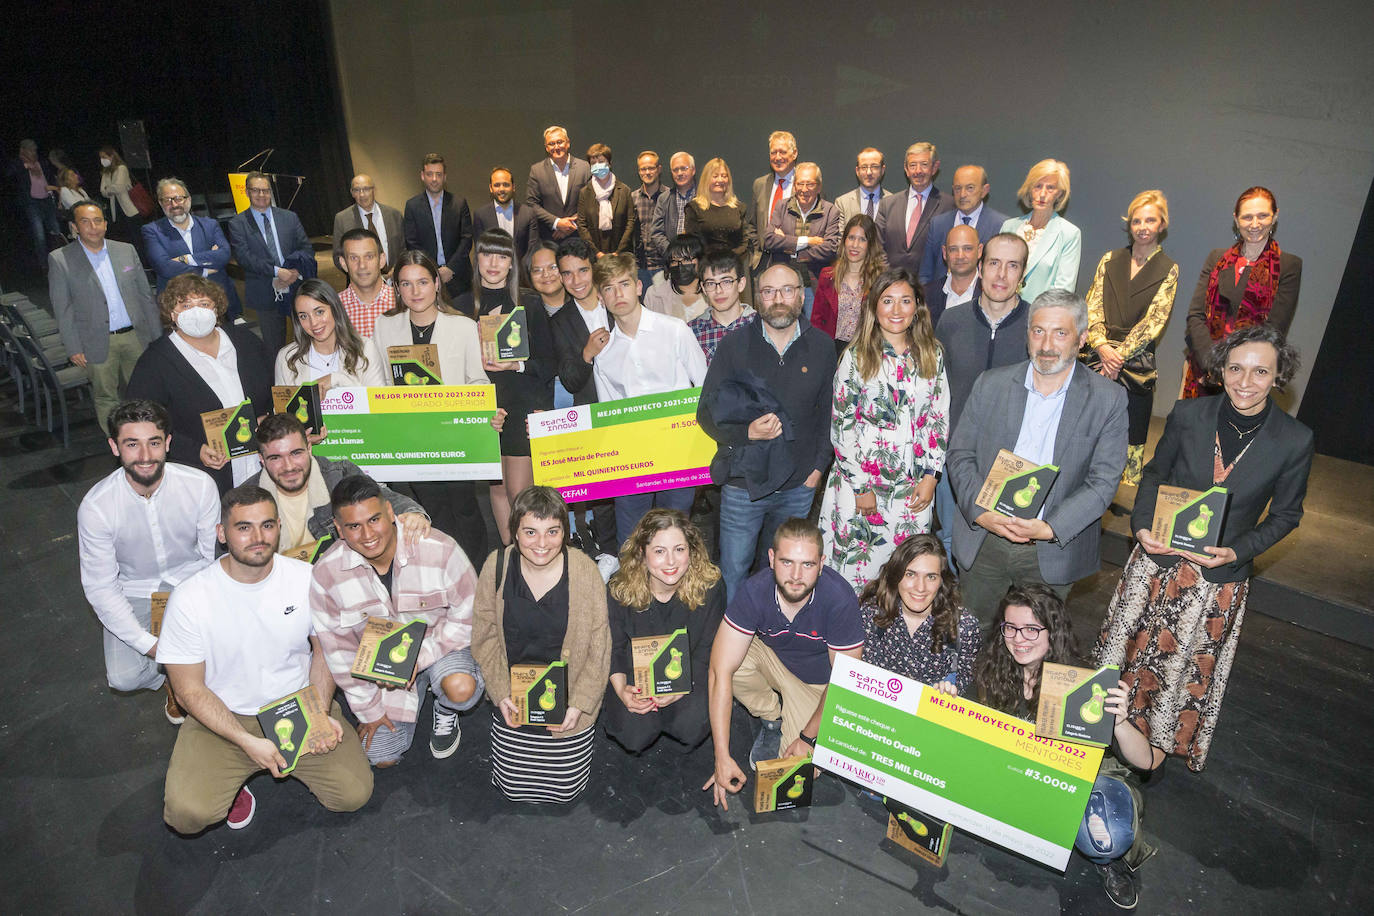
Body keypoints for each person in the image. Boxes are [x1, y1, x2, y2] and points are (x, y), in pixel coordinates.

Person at [1095, 325, 1314, 773]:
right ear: (1222, 370)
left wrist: (1237, 553)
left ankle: (1147, 756)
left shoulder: (1294, 440)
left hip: (1213, 584)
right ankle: (1096, 735)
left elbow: (1286, 516)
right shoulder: (1188, 414)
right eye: (1236, 368)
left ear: (1278, 377)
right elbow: (1154, 474)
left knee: (1174, 678)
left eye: (1259, 372)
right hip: (1154, 565)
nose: (1245, 381)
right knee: (1125, 655)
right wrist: (1140, 527)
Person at [160, 484, 373, 834]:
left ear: (278, 527)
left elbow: (323, 651)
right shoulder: (190, 598)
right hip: (225, 716)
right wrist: (247, 742)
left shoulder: (306, 578)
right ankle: (234, 776)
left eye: (267, 525)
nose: (258, 537)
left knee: (353, 795)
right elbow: (188, 692)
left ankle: (274, 752)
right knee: (187, 815)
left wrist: (318, 715)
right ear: (222, 534)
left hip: (299, 704)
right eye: (244, 527)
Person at [976, 584, 1164, 909]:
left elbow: (1145, 762)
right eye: (1011, 628)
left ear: (1053, 631)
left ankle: (1108, 863)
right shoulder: (992, 669)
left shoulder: (1084, 680)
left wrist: (1119, 723)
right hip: (1023, 772)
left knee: (1106, 836)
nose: (1019, 639)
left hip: (1081, 778)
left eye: (1032, 629)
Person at [945, 289, 1128, 622]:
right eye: (1038, 331)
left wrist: (1049, 528)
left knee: (1035, 647)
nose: (1047, 345)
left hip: (1049, 549)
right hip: (985, 539)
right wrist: (981, 512)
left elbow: (1103, 482)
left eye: (1061, 333)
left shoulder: (1108, 400)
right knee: (972, 638)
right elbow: (960, 454)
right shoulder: (990, 384)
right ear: (1027, 334)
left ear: (1082, 338)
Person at [311, 475, 485, 767]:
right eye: (354, 526)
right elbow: (338, 653)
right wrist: (368, 711)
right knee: (381, 758)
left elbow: (470, 618)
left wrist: (420, 657)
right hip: (383, 669)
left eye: (375, 519)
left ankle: (445, 707)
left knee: (460, 688)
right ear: (339, 530)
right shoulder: (326, 574)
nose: (368, 534)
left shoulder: (440, 549)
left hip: (441, 646)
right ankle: (411, 700)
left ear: (392, 513)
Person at [699, 262, 837, 600]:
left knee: (783, 573)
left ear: (801, 297)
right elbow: (706, 413)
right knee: (733, 570)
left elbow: (831, 417)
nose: (778, 299)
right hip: (743, 484)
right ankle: (736, 647)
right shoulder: (734, 346)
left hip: (798, 485)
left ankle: (774, 640)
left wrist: (818, 469)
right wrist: (747, 432)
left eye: (787, 290)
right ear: (757, 296)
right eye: (769, 291)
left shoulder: (822, 347)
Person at [703, 519, 863, 809]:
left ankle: (799, 727)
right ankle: (771, 718)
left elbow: (844, 683)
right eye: (787, 562)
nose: (797, 576)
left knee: (797, 774)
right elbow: (718, 671)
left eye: (808, 565)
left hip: (819, 686)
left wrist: (806, 738)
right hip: (775, 661)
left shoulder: (839, 598)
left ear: (822, 563)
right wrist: (721, 756)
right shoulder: (755, 590)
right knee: (731, 663)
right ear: (772, 558)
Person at [78, 399, 218, 721]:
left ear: (167, 442)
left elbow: (213, 559)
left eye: (154, 443)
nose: (144, 456)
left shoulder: (199, 486)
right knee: (123, 678)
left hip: (192, 581)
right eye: (132, 444)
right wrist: (156, 648)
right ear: (114, 447)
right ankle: (173, 675)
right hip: (135, 590)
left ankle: (185, 677)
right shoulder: (96, 507)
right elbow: (100, 587)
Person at [470, 487, 611, 801]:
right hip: (514, 702)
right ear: (515, 532)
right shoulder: (496, 566)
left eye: (553, 531)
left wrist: (580, 704)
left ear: (565, 532)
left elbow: (600, 647)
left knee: (564, 791)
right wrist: (501, 693)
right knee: (512, 788)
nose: (542, 543)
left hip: (568, 701)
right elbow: (484, 637)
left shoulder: (585, 571)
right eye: (530, 531)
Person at [821, 267, 949, 592]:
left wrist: (932, 476)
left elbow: (938, 418)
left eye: (905, 301)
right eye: (887, 300)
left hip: (913, 490)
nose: (896, 310)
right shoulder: (855, 356)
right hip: (860, 486)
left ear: (917, 306)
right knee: (853, 576)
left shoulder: (932, 354)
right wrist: (861, 487)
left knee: (905, 574)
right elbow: (841, 426)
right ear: (874, 306)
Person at [368, 250, 492, 568]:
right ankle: (440, 580)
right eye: (406, 284)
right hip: (411, 440)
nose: (415, 291)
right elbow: (379, 381)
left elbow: (477, 380)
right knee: (429, 515)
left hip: (455, 438)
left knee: (465, 512)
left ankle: (476, 580)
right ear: (397, 289)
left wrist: (476, 408)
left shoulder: (462, 326)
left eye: (422, 281)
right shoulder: (385, 326)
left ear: (436, 283)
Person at [592, 253, 708, 542]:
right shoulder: (603, 353)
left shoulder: (675, 331)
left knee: (675, 536)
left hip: (678, 453)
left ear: (639, 287)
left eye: (624, 284)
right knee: (630, 541)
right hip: (632, 456)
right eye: (609, 288)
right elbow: (609, 414)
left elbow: (705, 388)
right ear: (600, 297)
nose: (618, 293)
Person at [932, 233, 1032, 558]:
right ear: (980, 266)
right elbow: (935, 392)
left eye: (1012, 266)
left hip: (1013, 462)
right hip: (954, 457)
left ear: (1024, 274)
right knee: (951, 542)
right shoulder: (951, 321)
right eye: (994, 263)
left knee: (1000, 553)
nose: (1001, 275)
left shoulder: (1036, 328)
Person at [455, 229, 557, 543]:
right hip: (485, 409)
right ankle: (510, 554)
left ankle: (538, 555)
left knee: (521, 495)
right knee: (497, 491)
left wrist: (517, 364)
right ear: (476, 259)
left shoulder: (529, 303)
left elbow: (549, 363)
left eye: (502, 255)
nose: (494, 263)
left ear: (512, 263)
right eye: (487, 254)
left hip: (522, 403)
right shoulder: (460, 307)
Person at [127, 274, 274, 493]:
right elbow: (141, 423)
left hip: (260, 463)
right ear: (172, 314)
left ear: (216, 310)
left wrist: (268, 418)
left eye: (204, 304)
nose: (196, 312)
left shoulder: (246, 342)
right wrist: (195, 450)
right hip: (205, 475)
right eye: (186, 305)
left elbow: (273, 388)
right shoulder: (155, 361)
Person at [604, 509, 725, 753]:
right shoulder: (619, 589)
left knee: (691, 724)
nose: (671, 561)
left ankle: (676, 720)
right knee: (633, 732)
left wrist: (682, 687)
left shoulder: (710, 586)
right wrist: (622, 690)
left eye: (679, 549)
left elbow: (708, 649)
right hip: (636, 673)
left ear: (691, 550)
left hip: (689, 670)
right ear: (642, 552)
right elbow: (613, 647)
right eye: (659, 551)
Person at [1082, 191, 1180, 484]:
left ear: (1162, 224)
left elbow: (1155, 321)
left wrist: (1117, 356)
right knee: (1088, 424)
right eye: (1137, 220)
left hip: (1134, 364)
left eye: (1150, 220)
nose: (1143, 226)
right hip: (1096, 357)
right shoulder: (1110, 259)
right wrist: (1101, 346)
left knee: (1131, 427)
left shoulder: (1169, 269)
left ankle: (1122, 494)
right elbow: (1092, 305)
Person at [49, 200, 160, 434]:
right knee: (106, 397)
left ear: (106, 224)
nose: (93, 226)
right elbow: (63, 308)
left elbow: (145, 296)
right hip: (95, 341)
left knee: (143, 392)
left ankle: (147, 438)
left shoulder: (125, 250)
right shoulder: (60, 259)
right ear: (74, 226)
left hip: (135, 336)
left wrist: (156, 335)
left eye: (98, 220)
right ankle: (118, 443)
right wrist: (73, 347)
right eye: (85, 221)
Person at [1181, 186, 1302, 399]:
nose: (1255, 224)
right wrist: (1212, 364)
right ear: (1236, 219)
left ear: (1275, 217)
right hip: (1203, 370)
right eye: (1247, 217)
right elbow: (1196, 316)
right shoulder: (1216, 258)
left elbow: (1274, 330)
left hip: (1247, 380)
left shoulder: (1288, 265)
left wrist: (1232, 369)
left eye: (1262, 215)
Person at [248, 412, 427, 553]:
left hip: (338, 578)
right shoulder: (246, 499)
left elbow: (386, 499)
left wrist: (414, 515)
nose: (289, 467)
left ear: (309, 448)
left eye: (296, 453)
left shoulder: (339, 475)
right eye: (275, 458)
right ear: (261, 459)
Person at [547, 238, 620, 572]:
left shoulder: (618, 301)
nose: (576, 280)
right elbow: (571, 381)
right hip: (591, 413)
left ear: (594, 268)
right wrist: (587, 354)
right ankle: (609, 556)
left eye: (582, 270)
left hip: (630, 410)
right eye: (567, 274)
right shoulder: (559, 321)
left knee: (640, 488)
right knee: (603, 493)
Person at [858, 535, 979, 693]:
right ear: (896, 575)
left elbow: (968, 679)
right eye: (910, 574)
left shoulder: (964, 627)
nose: (920, 587)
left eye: (931, 577)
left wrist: (953, 691)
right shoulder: (871, 612)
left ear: (941, 581)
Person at [225, 171, 315, 357]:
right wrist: (277, 272)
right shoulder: (238, 223)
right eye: (256, 190)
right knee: (275, 348)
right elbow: (244, 257)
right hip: (265, 291)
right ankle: (282, 383)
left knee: (310, 337)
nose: (261, 195)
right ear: (247, 192)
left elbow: (306, 248)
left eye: (265, 190)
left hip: (296, 286)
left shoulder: (289, 217)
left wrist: (293, 273)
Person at [142, 178, 241, 320]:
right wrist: (204, 270)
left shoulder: (210, 225)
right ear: (160, 203)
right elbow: (164, 267)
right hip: (178, 307)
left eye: (178, 198)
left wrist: (185, 259)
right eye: (167, 200)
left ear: (188, 199)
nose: (174, 204)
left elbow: (224, 255)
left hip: (218, 303)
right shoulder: (152, 231)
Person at [277, 280, 385, 394]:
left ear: (334, 308)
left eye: (319, 312)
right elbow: (282, 409)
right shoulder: (287, 358)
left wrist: (337, 380)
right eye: (303, 316)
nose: (313, 323)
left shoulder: (364, 349)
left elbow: (378, 405)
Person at [1001, 159, 1081, 302]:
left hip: (1040, 317)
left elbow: (1063, 291)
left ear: (1060, 194)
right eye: (1037, 186)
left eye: (1050, 188)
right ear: (1029, 189)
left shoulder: (1069, 234)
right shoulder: (1009, 227)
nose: (1042, 194)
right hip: (1001, 309)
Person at [918, 165, 1009, 289]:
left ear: (984, 190)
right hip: (941, 301)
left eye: (970, 188)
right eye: (957, 188)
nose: (962, 194)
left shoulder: (1001, 225)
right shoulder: (938, 224)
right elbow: (926, 272)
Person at [759, 161, 842, 295]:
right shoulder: (782, 206)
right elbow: (769, 240)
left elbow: (831, 248)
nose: (804, 189)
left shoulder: (830, 211)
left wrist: (792, 251)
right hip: (783, 283)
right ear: (794, 186)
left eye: (810, 184)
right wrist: (807, 241)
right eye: (800, 183)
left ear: (819, 187)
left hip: (813, 285)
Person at [402, 153, 474, 299]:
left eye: (438, 174)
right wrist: (435, 270)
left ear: (445, 177)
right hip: (426, 277)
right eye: (430, 174)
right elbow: (411, 242)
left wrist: (450, 268)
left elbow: (466, 239)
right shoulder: (412, 206)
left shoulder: (459, 204)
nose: (434, 179)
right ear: (422, 176)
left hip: (458, 276)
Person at [811, 213, 885, 352]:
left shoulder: (879, 279)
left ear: (870, 244)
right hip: (832, 350)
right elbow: (817, 320)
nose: (855, 245)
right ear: (844, 240)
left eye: (862, 239)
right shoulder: (828, 275)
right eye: (851, 238)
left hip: (865, 351)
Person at [876, 142, 953, 274]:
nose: (918, 171)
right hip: (892, 285)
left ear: (934, 167)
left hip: (931, 288)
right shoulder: (887, 205)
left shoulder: (949, 206)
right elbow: (877, 248)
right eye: (912, 165)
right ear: (906, 169)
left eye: (924, 164)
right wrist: (892, 280)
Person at [684, 158, 756, 269]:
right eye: (715, 176)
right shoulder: (694, 208)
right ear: (706, 179)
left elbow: (745, 241)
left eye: (724, 176)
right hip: (706, 268)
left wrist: (729, 259)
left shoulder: (739, 208)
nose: (720, 180)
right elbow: (692, 243)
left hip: (733, 267)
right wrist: (714, 261)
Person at [688, 247, 755, 366]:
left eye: (726, 282)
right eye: (711, 284)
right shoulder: (692, 332)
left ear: (741, 284)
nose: (718, 290)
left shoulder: (761, 326)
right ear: (703, 288)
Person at [526, 126, 590, 242]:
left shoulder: (584, 167)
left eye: (560, 142)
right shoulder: (537, 170)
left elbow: (591, 201)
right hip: (550, 238)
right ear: (546, 148)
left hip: (578, 236)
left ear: (568, 143)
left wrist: (571, 225)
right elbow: (532, 204)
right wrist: (557, 223)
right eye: (551, 144)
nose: (556, 147)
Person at [331, 173, 404, 276]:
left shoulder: (394, 215)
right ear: (352, 193)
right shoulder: (342, 219)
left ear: (374, 190)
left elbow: (404, 248)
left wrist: (397, 269)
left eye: (366, 189)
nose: (362, 194)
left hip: (394, 278)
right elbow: (338, 256)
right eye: (357, 190)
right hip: (361, 282)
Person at [747, 131, 799, 273]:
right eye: (773, 152)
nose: (777, 157)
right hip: (764, 263)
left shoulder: (806, 184)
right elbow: (752, 225)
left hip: (795, 262)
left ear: (794, 154)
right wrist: (760, 249)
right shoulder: (760, 184)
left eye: (782, 152)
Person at [576, 142, 636, 258]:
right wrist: (597, 253)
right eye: (593, 163)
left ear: (610, 163)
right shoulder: (584, 193)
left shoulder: (624, 190)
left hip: (622, 255)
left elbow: (630, 222)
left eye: (601, 162)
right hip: (594, 256)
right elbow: (582, 225)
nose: (598, 165)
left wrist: (618, 252)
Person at [471, 167, 538, 267]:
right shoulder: (480, 215)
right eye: (497, 185)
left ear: (513, 187)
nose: (501, 189)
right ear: (490, 188)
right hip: (493, 273)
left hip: (522, 275)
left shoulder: (528, 213)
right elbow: (480, 250)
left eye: (506, 185)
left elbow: (532, 249)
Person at [12, 138, 62, 272]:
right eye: (30, 150)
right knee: (39, 234)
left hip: (46, 200)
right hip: (32, 203)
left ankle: (60, 260)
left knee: (56, 230)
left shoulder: (42, 162)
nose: (33, 152)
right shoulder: (18, 163)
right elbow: (8, 173)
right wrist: (24, 166)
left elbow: (50, 178)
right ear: (23, 150)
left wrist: (56, 193)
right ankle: (44, 265)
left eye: (34, 149)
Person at [336, 227, 394, 337]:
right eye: (354, 258)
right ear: (343, 263)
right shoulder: (334, 309)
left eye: (369, 257)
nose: (362, 265)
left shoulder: (403, 303)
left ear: (381, 260)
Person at [923, 223, 982, 324]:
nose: (960, 256)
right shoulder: (926, 294)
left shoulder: (992, 295)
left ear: (979, 251)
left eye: (967, 248)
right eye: (953, 249)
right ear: (945, 253)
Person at [644, 233, 708, 322]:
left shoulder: (713, 293)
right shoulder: (654, 295)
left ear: (701, 261)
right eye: (674, 261)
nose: (680, 265)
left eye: (686, 260)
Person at [649, 151, 697, 266]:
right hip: (673, 263)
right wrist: (672, 252)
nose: (679, 173)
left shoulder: (704, 197)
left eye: (684, 168)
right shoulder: (664, 199)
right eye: (675, 170)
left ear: (693, 170)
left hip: (699, 261)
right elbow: (656, 232)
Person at [630, 151, 666, 287]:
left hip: (664, 267)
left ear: (659, 169)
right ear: (639, 171)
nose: (647, 172)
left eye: (651, 168)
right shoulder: (632, 198)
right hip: (640, 268)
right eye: (643, 169)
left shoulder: (669, 197)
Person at [833, 148, 891, 226]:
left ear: (882, 170)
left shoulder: (893, 202)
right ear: (857, 171)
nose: (869, 172)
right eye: (864, 167)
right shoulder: (842, 203)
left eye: (874, 167)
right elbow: (841, 237)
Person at [97, 146, 140, 234]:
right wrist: (110, 189)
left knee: (135, 234)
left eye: (104, 157)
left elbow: (119, 187)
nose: (102, 160)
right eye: (101, 158)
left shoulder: (121, 168)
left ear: (111, 156)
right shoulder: (106, 172)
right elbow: (102, 191)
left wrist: (108, 189)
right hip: (116, 208)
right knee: (123, 234)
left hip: (129, 207)